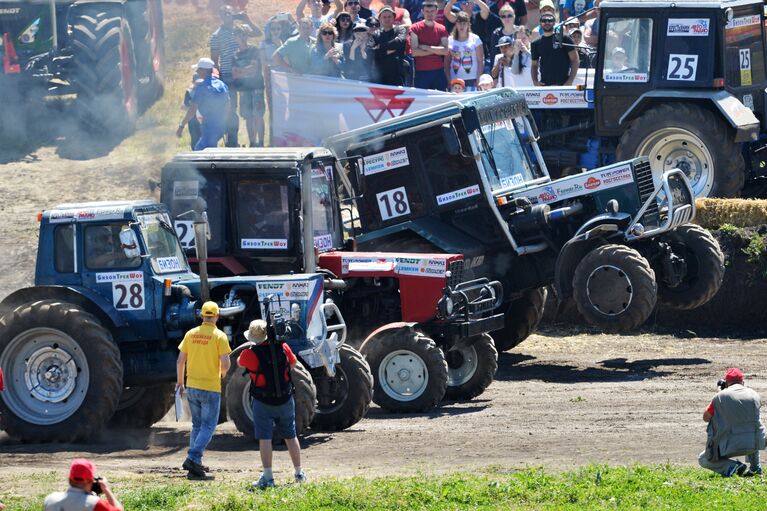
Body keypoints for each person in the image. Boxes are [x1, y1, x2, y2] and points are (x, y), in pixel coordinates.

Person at [237, 320, 305, 489]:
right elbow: (293, 363)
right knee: (290, 435)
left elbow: (239, 362)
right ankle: (299, 473)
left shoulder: (249, 353)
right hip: (285, 399)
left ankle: (268, 476)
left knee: (265, 438)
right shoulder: (283, 347)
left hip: (262, 401)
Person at [176, 301, 232, 479]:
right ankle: (192, 457)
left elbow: (180, 361)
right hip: (210, 387)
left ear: (202, 316)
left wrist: (180, 382)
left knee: (197, 425)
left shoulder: (191, 334)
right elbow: (225, 363)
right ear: (216, 316)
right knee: (208, 426)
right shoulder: (219, 336)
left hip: (192, 386)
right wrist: (222, 374)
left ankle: (196, 463)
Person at [699, 368, 767, 477]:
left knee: (703, 459)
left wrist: (719, 394)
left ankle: (732, 467)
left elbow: (706, 417)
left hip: (730, 447)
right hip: (755, 444)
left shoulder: (720, 397)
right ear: (743, 382)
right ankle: (755, 468)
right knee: (751, 430)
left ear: (726, 383)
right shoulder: (754, 394)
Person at [210, 5, 257, 147]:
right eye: (224, 13)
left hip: (245, 75)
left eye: (229, 13)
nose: (227, 16)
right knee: (231, 108)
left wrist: (247, 19)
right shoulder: (216, 35)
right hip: (227, 75)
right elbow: (214, 59)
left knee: (248, 109)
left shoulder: (240, 30)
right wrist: (219, 77)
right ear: (221, 16)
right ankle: (232, 141)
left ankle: (253, 142)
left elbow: (257, 33)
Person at [176, 58, 230, 151]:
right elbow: (228, 104)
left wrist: (181, 126)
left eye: (199, 69)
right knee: (208, 151)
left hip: (209, 126)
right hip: (220, 125)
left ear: (204, 71)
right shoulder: (221, 84)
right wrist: (223, 121)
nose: (196, 71)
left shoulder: (201, 88)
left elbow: (192, 109)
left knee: (200, 153)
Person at [44, 458, 123, 511]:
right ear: (91, 481)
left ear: (69, 479)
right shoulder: (94, 503)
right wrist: (106, 489)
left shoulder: (50, 499)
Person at [410, 0, 449, 90]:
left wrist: (426, 47)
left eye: (432, 11)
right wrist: (436, 50)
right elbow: (415, 52)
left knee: (442, 101)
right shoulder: (415, 28)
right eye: (427, 11)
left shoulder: (442, 28)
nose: (429, 14)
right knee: (422, 102)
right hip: (421, 72)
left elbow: (445, 51)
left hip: (438, 71)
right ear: (422, 12)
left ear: (437, 11)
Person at [530, 12, 578, 85]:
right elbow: (534, 65)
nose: (547, 22)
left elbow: (575, 60)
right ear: (540, 22)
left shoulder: (565, 38)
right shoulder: (535, 43)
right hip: (545, 86)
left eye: (550, 20)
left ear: (554, 22)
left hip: (563, 85)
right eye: (544, 20)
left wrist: (570, 81)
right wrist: (535, 81)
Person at [445, 11, 483, 91]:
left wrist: (478, 79)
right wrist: (449, 80)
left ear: (468, 24)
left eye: (464, 23)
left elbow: (480, 61)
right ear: (456, 24)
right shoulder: (450, 40)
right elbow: (447, 62)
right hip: (455, 80)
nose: (462, 26)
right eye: (459, 23)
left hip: (472, 79)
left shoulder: (475, 39)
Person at [373, 6, 408, 85]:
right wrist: (387, 52)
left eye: (389, 16)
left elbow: (400, 41)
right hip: (380, 75)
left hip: (397, 74)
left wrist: (381, 47)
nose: (387, 19)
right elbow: (372, 52)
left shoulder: (400, 29)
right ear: (380, 19)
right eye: (384, 17)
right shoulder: (376, 34)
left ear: (394, 18)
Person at [182, 74, 202, 149]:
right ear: (193, 82)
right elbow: (185, 105)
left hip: (204, 119)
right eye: (196, 82)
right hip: (193, 120)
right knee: (194, 139)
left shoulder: (207, 90)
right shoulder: (189, 92)